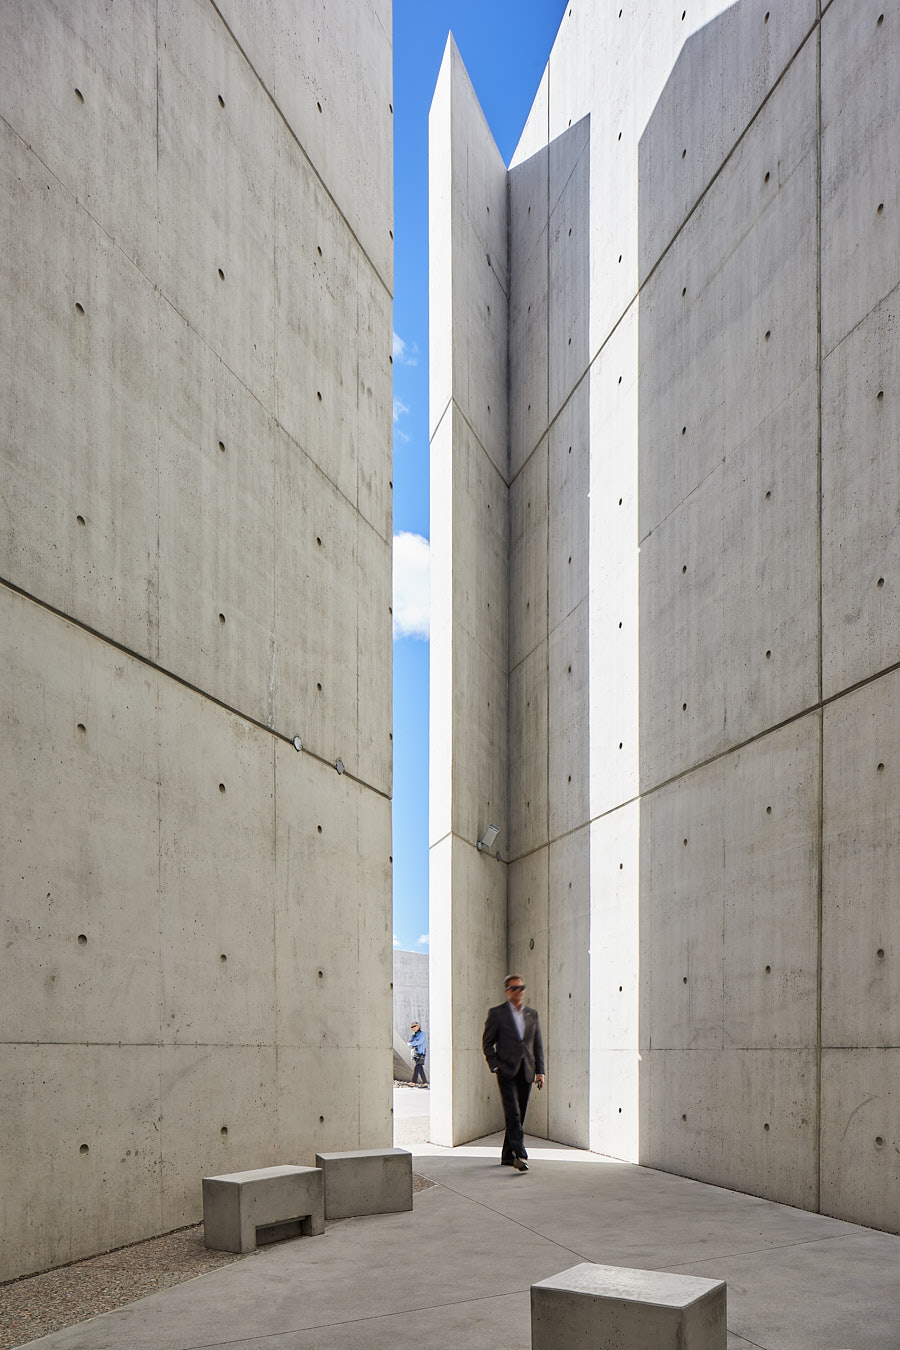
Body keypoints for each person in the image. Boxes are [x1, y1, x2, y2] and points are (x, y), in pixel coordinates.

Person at [482, 975, 544, 1171]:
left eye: (522, 988)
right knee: (513, 1113)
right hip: (506, 1071)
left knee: (520, 1114)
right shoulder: (496, 1013)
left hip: (527, 1070)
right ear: (507, 991)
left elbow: (537, 1045)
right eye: (515, 988)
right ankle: (520, 1155)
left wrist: (540, 1072)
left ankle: (507, 1156)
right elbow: (487, 1043)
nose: (519, 991)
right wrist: (495, 1065)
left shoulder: (532, 1014)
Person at [408, 1021, 428, 1086]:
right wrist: (413, 1042)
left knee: (417, 1067)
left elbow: (419, 1042)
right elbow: (410, 1042)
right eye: (412, 1027)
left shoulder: (422, 1034)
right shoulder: (414, 1036)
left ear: (418, 1026)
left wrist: (412, 1043)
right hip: (415, 1053)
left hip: (420, 1053)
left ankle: (413, 1082)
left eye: (415, 1026)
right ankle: (425, 1083)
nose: (413, 1028)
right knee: (420, 1068)